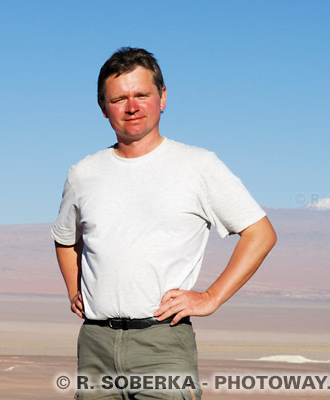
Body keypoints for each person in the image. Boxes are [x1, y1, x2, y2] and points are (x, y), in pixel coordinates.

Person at [52, 47, 277, 400]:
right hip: (95, 342)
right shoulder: (84, 173)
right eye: (119, 98)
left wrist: (210, 297)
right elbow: (66, 238)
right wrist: (73, 289)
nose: (132, 106)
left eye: (142, 94)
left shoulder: (197, 166)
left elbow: (260, 233)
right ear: (102, 107)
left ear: (163, 98)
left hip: (162, 343)